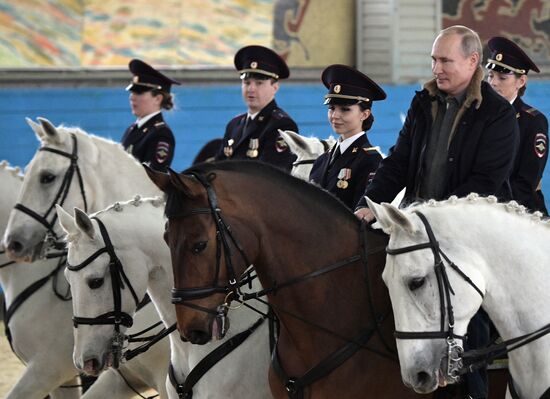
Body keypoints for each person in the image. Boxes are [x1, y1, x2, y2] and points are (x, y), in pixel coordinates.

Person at [355, 26, 520, 399]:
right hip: (417, 233)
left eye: (445, 60)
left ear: (473, 61)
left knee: (469, 332)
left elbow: (484, 185)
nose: (437, 68)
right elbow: (398, 162)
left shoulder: (496, 115)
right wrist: (368, 203)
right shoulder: (423, 102)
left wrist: (427, 219)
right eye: (434, 59)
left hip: (467, 245)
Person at [309, 64, 385, 210]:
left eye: (345, 109)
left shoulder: (370, 161)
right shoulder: (322, 160)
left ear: (365, 114)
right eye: (331, 108)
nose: (335, 116)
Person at [486, 36, 548, 214]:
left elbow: (526, 182)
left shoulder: (533, 122)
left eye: (502, 77)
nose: (493, 82)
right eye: (490, 76)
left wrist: (494, 209)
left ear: (521, 82)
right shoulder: (479, 117)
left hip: (523, 215)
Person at [215, 45, 299, 171]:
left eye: (259, 83)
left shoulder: (281, 125)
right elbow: (218, 167)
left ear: (275, 87)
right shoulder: (234, 124)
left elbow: (272, 177)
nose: (251, 89)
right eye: (247, 82)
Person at [122, 59, 181, 172]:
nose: (132, 97)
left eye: (139, 92)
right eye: (132, 92)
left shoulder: (161, 134)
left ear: (157, 98)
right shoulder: (132, 129)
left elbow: (154, 177)